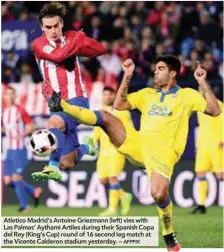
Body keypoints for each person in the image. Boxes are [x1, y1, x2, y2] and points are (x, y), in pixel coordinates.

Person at [47, 56, 220, 251]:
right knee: (106, 116)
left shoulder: (187, 96)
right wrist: (127, 76)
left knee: (158, 194)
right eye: (156, 68)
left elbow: (214, 110)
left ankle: (168, 232)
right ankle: (64, 106)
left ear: (173, 73)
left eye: (161, 68)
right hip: (138, 143)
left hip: (163, 153)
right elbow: (120, 105)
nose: (155, 71)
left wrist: (202, 82)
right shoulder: (147, 94)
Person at [31, 2, 106, 182]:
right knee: (68, 163)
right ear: (42, 28)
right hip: (56, 104)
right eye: (48, 27)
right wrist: (76, 41)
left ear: (62, 23)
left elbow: (100, 49)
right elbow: (58, 56)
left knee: (53, 124)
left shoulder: (71, 38)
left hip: (76, 99)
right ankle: (87, 148)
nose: (53, 30)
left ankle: (51, 166)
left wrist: (78, 39)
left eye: (56, 25)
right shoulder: (39, 43)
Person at [93, 87, 133, 216]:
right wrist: (92, 143)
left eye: (110, 94)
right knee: (103, 180)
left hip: (117, 150)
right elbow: (97, 131)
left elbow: (129, 130)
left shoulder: (122, 111)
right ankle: (124, 195)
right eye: (105, 95)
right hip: (103, 151)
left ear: (114, 96)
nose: (107, 97)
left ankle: (112, 209)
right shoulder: (100, 111)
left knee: (112, 178)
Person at [2, 86, 43, 213]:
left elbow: (31, 126)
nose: (9, 96)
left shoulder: (20, 110)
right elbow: (4, 128)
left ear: (15, 96)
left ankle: (25, 205)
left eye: (11, 94)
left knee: (16, 178)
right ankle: (33, 191)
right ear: (4, 96)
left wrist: (22, 134)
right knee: (7, 180)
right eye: (7, 94)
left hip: (19, 148)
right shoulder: (3, 111)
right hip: (9, 149)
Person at [191, 89, 223, 214]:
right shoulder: (200, 107)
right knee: (200, 173)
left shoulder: (219, 106)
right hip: (203, 146)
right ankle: (201, 205)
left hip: (217, 145)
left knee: (220, 175)